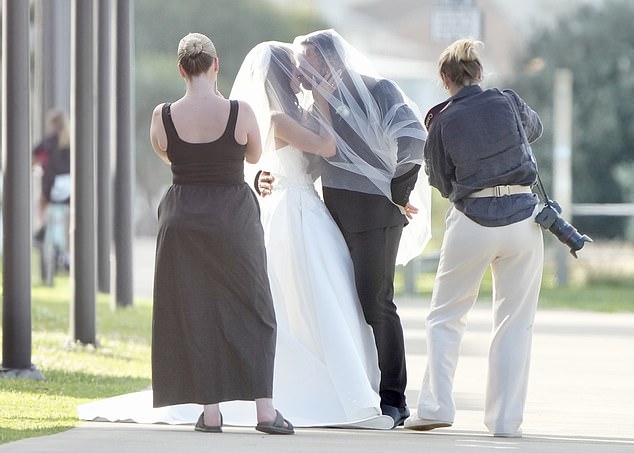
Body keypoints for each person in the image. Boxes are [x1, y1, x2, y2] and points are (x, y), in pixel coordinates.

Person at [259, 29, 430, 428]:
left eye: (307, 63)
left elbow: (413, 139)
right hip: (332, 217)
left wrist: (398, 189)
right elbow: (304, 156)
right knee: (347, 305)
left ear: (330, 60)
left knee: (376, 301)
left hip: (377, 216)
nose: (300, 72)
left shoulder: (378, 90)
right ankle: (361, 386)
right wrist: (265, 177)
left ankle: (394, 397)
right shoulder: (316, 105)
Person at [230, 41, 393, 429]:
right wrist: (321, 100)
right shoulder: (276, 118)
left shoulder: (298, 113)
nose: (301, 75)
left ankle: (349, 381)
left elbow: (320, 161)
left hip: (309, 205)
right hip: (290, 211)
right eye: (295, 70)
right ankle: (306, 386)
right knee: (302, 296)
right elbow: (326, 145)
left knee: (331, 295)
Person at [148, 32, 293, 435]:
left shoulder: (162, 115)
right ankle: (265, 411)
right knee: (256, 309)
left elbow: (164, 151)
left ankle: (211, 414)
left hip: (182, 220)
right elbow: (253, 154)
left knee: (196, 312)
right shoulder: (240, 112)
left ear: (181, 70)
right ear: (216, 66)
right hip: (232, 217)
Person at [404, 38, 544, 437]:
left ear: (445, 80)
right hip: (522, 217)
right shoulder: (508, 100)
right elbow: (534, 130)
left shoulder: (442, 121)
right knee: (515, 323)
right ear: (479, 73)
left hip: (472, 219)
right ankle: (505, 422)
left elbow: (440, 181)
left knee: (446, 317)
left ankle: (434, 407)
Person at [36, 109, 71, 286]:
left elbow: (34, 156)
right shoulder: (71, 140)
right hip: (69, 193)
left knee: (42, 205)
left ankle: (42, 227)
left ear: (52, 125)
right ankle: (68, 256)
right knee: (70, 224)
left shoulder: (48, 142)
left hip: (50, 189)